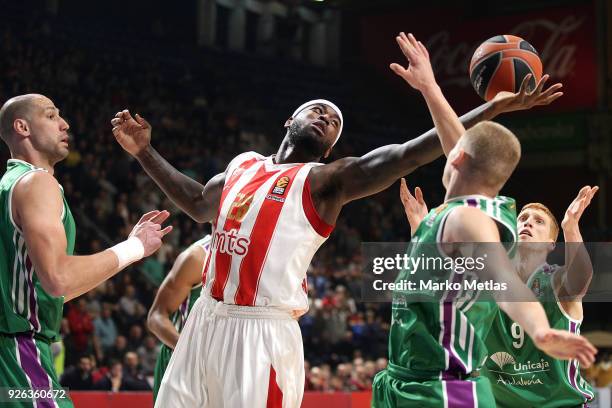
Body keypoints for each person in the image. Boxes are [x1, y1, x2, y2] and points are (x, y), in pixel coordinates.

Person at [111, 33, 564, 407]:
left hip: (261, 334)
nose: (327, 117)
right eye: (318, 110)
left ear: (330, 149)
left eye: (334, 122)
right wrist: (144, 153)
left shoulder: (325, 181)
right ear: (291, 119)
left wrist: (491, 110)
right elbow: (195, 202)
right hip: (204, 319)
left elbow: (411, 151)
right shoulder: (243, 164)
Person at [372, 33, 596, 407]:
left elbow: (505, 281)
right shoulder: (459, 214)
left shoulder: (469, 219)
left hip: (440, 387)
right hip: (401, 379)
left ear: (456, 160)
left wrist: (540, 331)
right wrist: (429, 88)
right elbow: (463, 146)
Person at [0, 94, 172, 408]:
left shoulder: (8, 185)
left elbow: (47, 291)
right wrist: (134, 247)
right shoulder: (37, 183)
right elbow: (57, 279)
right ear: (22, 127)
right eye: (51, 116)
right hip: (16, 354)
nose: (64, 124)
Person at [400, 183, 598, 406]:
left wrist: (570, 226)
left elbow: (580, 280)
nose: (528, 222)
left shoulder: (556, 280)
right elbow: (435, 288)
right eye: (522, 219)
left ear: (551, 243)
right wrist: (422, 231)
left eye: (538, 221)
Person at [147, 235, 211, 402]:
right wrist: (189, 350)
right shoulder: (197, 257)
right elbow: (156, 316)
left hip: (219, 363)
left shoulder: (258, 257)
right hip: (181, 363)